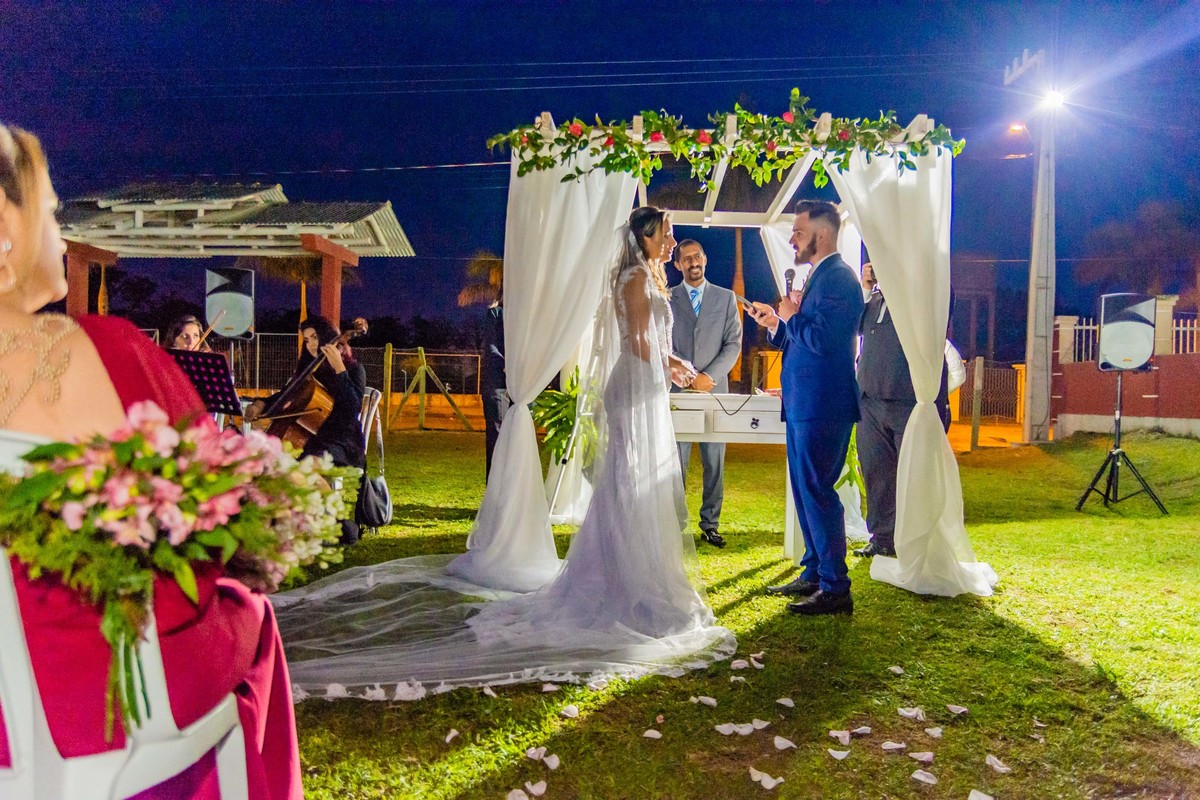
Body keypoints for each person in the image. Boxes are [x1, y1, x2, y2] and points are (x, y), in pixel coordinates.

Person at [271, 206, 735, 695]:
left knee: (632, 485)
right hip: (639, 387)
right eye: (666, 232)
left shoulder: (645, 277)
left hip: (646, 385)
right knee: (628, 485)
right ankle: (630, 585)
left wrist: (675, 362)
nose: (672, 239)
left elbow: (648, 343)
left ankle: (636, 578)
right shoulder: (636, 281)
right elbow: (640, 345)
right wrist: (676, 367)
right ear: (646, 237)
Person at [0, 123, 301, 799]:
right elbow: (213, 519)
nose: (63, 229)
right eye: (50, 208)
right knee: (250, 617)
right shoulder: (110, 348)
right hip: (113, 707)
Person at [748, 199, 864, 616]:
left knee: (818, 490)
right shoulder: (820, 277)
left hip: (824, 405)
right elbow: (803, 339)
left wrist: (792, 314)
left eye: (798, 231)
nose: (793, 238)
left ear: (823, 234)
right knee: (803, 490)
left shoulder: (840, 279)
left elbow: (824, 341)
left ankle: (836, 588)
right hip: (802, 403)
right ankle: (815, 569)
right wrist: (777, 324)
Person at [854, 261, 953, 558]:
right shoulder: (876, 300)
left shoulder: (928, 292)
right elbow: (857, 326)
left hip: (909, 399)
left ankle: (918, 540)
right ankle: (883, 537)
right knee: (876, 471)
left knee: (915, 475)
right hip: (871, 398)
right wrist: (867, 288)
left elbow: (938, 316)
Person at [244, 316, 366, 543]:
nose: (310, 343)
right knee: (273, 463)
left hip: (342, 443)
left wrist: (340, 369)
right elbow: (286, 394)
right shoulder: (310, 371)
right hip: (313, 439)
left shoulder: (354, 369)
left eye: (315, 337)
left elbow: (352, 407)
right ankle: (283, 524)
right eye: (307, 339)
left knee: (304, 469)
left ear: (329, 338)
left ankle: (340, 525)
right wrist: (261, 403)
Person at [668, 239, 742, 548]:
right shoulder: (667, 298)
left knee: (715, 462)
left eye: (697, 256)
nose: (692, 262)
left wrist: (708, 376)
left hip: (714, 393)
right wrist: (685, 377)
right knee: (675, 462)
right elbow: (661, 342)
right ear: (678, 265)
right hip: (677, 393)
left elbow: (733, 344)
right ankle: (675, 524)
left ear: (705, 259)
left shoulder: (726, 299)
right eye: (686, 259)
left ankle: (710, 524)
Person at [480, 299, 508, 478]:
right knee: (497, 436)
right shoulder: (496, 314)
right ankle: (495, 489)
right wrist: (508, 365)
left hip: (520, 387)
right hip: (498, 382)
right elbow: (491, 347)